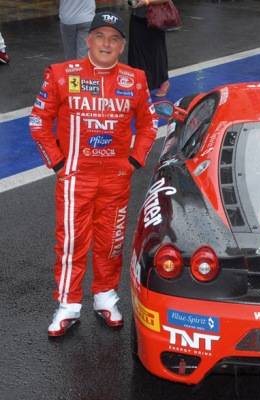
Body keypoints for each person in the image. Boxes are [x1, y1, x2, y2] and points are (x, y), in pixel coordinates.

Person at [29, 11, 157, 337]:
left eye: (114, 39)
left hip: (116, 179)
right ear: (88, 39)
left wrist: (134, 162)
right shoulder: (61, 74)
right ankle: (68, 304)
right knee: (71, 244)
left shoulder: (135, 79)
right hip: (75, 179)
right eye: (100, 36)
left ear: (122, 45)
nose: (106, 43)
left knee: (111, 243)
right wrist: (58, 164)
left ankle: (105, 296)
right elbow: (37, 123)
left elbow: (148, 126)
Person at [128, 0, 171, 97]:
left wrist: (146, 2)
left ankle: (164, 81)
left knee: (156, 51)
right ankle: (139, 83)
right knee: (136, 52)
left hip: (156, 17)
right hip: (137, 16)